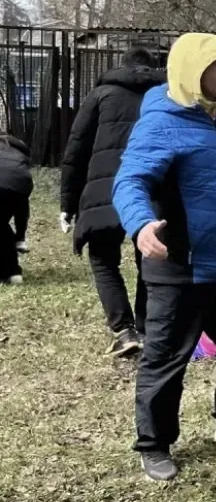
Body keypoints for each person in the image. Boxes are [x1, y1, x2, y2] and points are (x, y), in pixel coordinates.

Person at [112, 32, 216, 482]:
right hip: (180, 266)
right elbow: (130, 181)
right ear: (189, 70)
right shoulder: (160, 122)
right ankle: (154, 444)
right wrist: (141, 224)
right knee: (166, 360)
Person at [60, 43, 166, 357]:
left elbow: (75, 150)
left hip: (103, 191)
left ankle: (124, 330)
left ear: (122, 65)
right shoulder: (164, 96)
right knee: (149, 259)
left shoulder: (100, 95)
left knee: (103, 260)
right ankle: (146, 328)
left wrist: (67, 204)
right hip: (150, 190)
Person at [0, 134, 32, 285]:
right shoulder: (17, 149)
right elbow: (22, 209)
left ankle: (11, 271)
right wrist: (20, 237)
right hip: (21, 184)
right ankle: (13, 272)